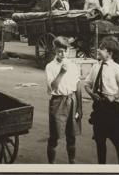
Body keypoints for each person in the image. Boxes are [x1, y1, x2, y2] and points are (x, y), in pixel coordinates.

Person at [84, 38, 119, 164]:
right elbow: (87, 84)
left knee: (117, 140)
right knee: (99, 140)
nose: (98, 50)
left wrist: (114, 96)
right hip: (99, 107)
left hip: (112, 109)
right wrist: (91, 93)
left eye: (101, 48)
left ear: (110, 53)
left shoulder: (116, 68)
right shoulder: (95, 66)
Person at [45, 36, 82, 164]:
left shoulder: (73, 65)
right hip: (58, 102)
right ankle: (52, 165)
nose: (62, 54)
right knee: (54, 136)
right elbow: (53, 87)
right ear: (54, 50)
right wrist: (61, 72)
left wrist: (79, 108)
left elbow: (77, 86)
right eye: (59, 51)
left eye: (65, 51)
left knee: (71, 136)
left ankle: (72, 162)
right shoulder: (50, 66)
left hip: (71, 100)